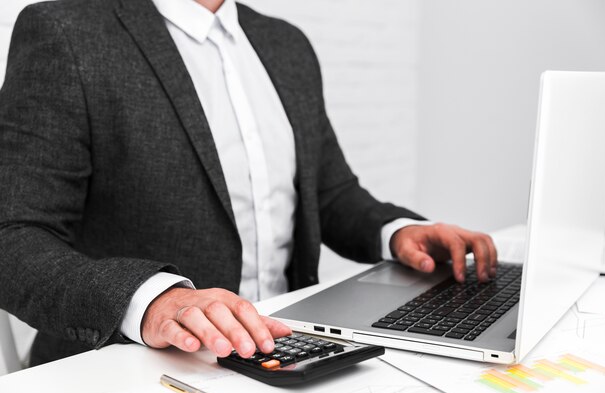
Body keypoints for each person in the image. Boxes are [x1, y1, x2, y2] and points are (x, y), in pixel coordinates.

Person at [0, 0, 497, 366]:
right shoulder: (67, 31)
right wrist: (153, 300)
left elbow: (328, 192)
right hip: (130, 367)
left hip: (290, 356)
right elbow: (13, 235)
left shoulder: (286, 44)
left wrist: (397, 231)